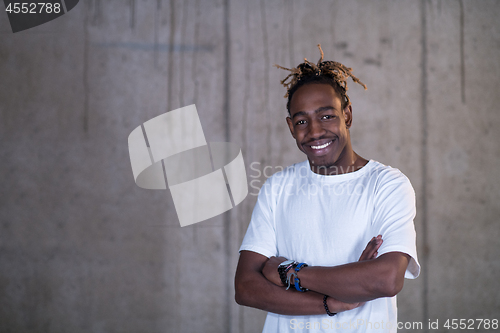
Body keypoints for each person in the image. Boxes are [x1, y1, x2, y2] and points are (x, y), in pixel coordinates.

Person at [234, 45, 420, 332]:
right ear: (290, 127)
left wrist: (288, 271)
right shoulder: (278, 187)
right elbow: (246, 287)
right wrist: (333, 301)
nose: (315, 131)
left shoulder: (387, 184)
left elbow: (385, 280)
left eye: (326, 116)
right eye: (301, 121)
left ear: (347, 115)